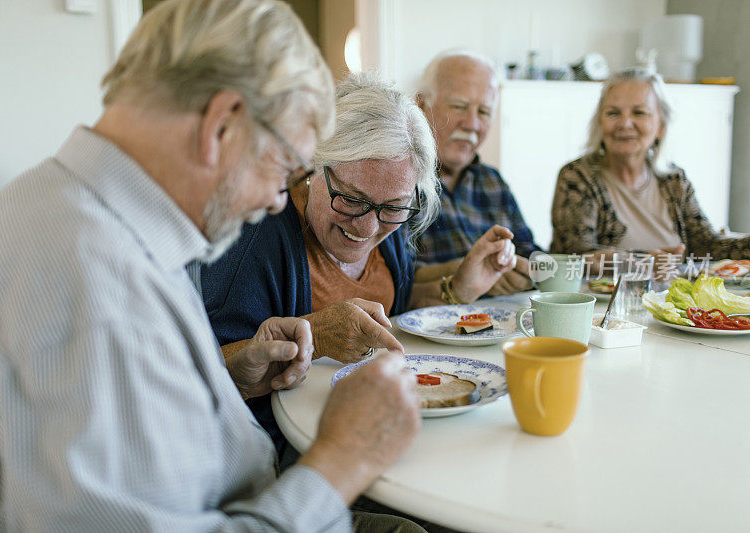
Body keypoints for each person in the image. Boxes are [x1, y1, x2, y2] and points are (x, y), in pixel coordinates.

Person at [0, 1, 424, 531]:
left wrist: (228, 380)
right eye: (286, 166)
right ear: (222, 124)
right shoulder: (88, 283)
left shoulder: (93, 218)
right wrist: (343, 459)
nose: (276, 200)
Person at [197, 72, 516, 458]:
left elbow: (387, 308)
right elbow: (198, 378)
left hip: (390, 433)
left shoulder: (388, 212)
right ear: (314, 166)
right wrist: (312, 338)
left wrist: (458, 287)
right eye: (350, 198)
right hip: (291, 454)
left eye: (393, 207)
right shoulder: (256, 237)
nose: (366, 227)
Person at [550, 67, 750, 268]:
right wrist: (643, 260)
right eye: (613, 113)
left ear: (661, 126)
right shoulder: (577, 177)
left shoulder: (674, 180)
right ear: (600, 122)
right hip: (604, 298)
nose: (625, 123)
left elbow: (706, 245)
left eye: (639, 113)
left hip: (669, 297)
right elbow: (574, 254)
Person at [414, 50, 541, 296]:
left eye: (484, 112)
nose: (472, 124)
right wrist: (472, 271)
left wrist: (530, 269)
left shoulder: (493, 182)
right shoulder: (400, 180)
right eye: (459, 106)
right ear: (421, 105)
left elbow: (529, 249)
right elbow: (394, 275)